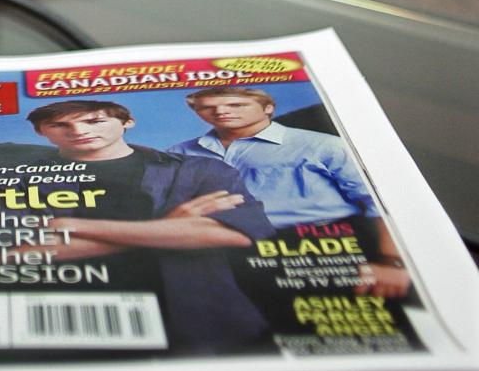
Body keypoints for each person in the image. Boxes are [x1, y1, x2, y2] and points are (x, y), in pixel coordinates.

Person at [21, 98, 275, 353]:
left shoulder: (199, 169)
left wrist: (66, 225)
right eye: (58, 125)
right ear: (41, 132)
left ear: (127, 122)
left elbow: (235, 234)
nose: (79, 131)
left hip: (209, 322)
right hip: (75, 324)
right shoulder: (19, 181)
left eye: (95, 121)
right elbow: (9, 252)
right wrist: (169, 229)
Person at [168, 86, 411, 298]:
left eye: (236, 104)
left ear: (268, 108)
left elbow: (377, 201)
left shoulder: (323, 145)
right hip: (218, 250)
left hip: (318, 246)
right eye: (207, 107)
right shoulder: (178, 152)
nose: (221, 112)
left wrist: (391, 262)